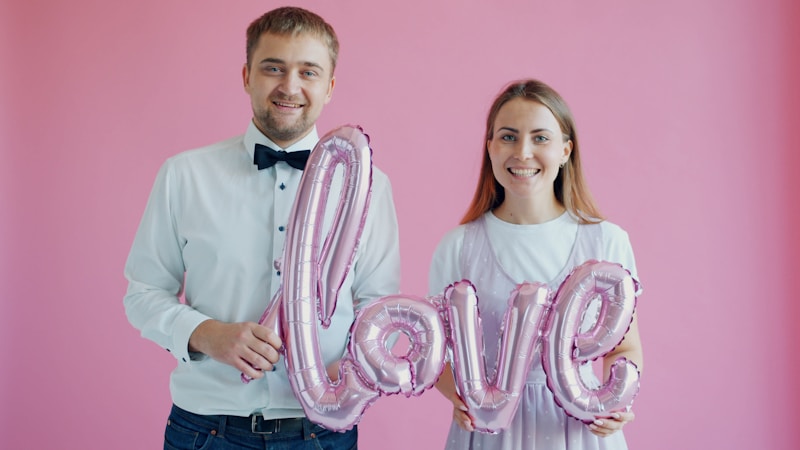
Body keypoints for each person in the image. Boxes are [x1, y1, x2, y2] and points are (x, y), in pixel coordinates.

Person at [123, 7, 400, 449]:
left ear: (329, 88)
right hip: (205, 431)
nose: (289, 87)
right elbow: (142, 293)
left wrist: (348, 368)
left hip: (322, 433)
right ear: (247, 76)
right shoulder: (184, 175)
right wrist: (206, 334)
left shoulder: (369, 187)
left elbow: (376, 305)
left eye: (308, 72)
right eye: (274, 68)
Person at [430, 79, 643, 449]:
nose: (523, 152)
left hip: (580, 433)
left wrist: (616, 402)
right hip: (489, 433)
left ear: (565, 150)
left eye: (540, 138)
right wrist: (457, 396)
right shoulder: (458, 246)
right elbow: (434, 354)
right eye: (509, 137)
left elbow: (624, 347)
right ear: (491, 148)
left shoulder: (607, 241)